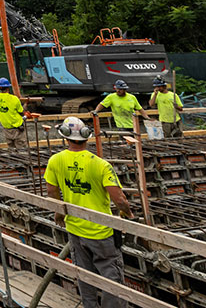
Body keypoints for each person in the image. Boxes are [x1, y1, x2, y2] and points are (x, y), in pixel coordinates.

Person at [45, 116, 134, 308]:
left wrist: (59, 213)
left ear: (65, 137)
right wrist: (128, 215)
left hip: (75, 228)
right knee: (112, 277)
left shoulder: (55, 161)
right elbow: (119, 199)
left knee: (84, 275)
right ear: (86, 136)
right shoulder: (100, 165)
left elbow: (52, 191)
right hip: (101, 232)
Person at [0, 77, 27, 149]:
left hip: (6, 127)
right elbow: (21, 111)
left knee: (11, 148)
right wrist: (26, 104)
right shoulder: (14, 99)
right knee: (21, 148)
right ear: (8, 87)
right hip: (17, 127)